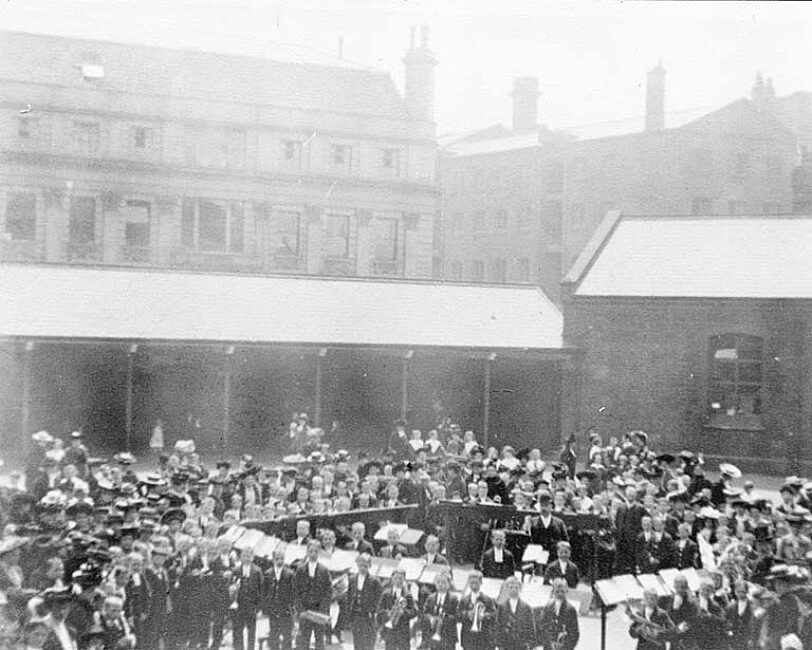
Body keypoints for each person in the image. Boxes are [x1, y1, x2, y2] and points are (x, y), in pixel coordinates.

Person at [294, 540, 332, 650]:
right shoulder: (301, 569)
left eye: (316, 551)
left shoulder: (324, 570)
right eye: (311, 551)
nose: (313, 554)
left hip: (319, 611)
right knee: (303, 640)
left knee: (319, 640)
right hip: (305, 610)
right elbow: (296, 591)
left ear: (319, 552)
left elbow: (328, 591)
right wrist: (300, 609)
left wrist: (323, 610)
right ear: (307, 552)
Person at [262, 546, 296, 650]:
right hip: (273, 609)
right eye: (277, 558)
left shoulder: (290, 574)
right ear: (273, 560)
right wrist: (265, 608)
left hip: (285, 609)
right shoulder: (268, 573)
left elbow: (293, 592)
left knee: (287, 635)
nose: (279, 561)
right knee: (274, 634)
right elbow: (264, 592)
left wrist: (292, 607)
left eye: (282, 558)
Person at [345, 554, 381, 650]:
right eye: (360, 566)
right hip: (356, 613)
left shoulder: (374, 581)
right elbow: (349, 596)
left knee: (368, 641)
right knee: (357, 640)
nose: (362, 568)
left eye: (365, 566)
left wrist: (374, 612)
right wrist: (348, 612)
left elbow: (378, 599)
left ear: (369, 566)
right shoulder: (352, 579)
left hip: (368, 615)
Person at [377, 568, 416, 650]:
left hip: (403, 630)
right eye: (395, 578)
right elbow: (379, 609)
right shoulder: (386, 594)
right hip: (389, 630)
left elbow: (414, 611)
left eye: (400, 578)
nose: (398, 581)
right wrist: (388, 613)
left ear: (404, 580)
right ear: (392, 579)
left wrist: (404, 613)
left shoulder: (408, 595)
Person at [232, 547, 263, 650]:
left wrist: (258, 606)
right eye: (244, 556)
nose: (246, 558)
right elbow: (231, 587)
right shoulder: (236, 570)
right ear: (241, 557)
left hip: (251, 605)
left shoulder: (257, 571)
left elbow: (261, 589)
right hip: (239, 605)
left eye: (249, 556)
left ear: (253, 557)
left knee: (251, 631)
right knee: (237, 630)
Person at [495, 576, 538, 650]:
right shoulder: (501, 606)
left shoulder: (526, 607)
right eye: (511, 587)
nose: (514, 590)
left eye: (516, 587)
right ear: (507, 589)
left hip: (521, 645)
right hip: (506, 645)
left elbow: (531, 628)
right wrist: (499, 644)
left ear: (520, 589)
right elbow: (498, 626)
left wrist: (530, 644)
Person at [458, 571, 495, 650]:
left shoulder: (488, 600)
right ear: (468, 583)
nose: (474, 586)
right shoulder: (464, 600)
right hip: (468, 636)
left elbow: (494, 615)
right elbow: (458, 614)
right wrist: (467, 614)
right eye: (471, 583)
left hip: (483, 637)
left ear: (481, 583)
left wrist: (484, 616)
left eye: (476, 583)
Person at [421, 572, 458, 650]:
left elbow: (456, 616)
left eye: (444, 582)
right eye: (438, 582)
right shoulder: (430, 598)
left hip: (447, 635)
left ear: (449, 584)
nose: (440, 585)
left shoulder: (453, 598)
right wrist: (431, 618)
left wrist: (443, 619)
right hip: (433, 632)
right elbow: (425, 613)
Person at [529, 492, 569, 562]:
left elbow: (565, 540)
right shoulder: (532, 522)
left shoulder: (559, 523)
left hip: (554, 556)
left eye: (546, 505)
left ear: (551, 507)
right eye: (541, 506)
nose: (543, 508)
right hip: (537, 556)